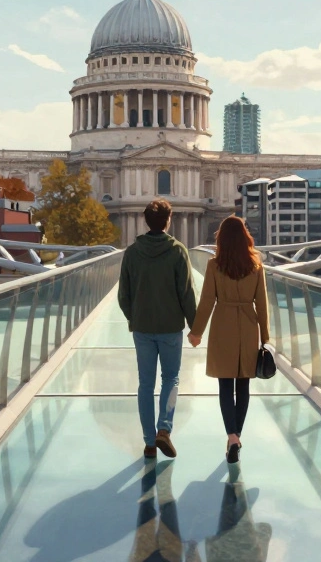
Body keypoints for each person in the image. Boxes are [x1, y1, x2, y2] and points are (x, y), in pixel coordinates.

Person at [118, 198, 197, 459]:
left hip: (142, 327)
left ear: (145, 221)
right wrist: (194, 327)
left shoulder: (131, 252)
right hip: (171, 326)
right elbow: (186, 293)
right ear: (168, 220)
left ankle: (149, 442)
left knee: (145, 384)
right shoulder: (177, 251)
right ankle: (164, 428)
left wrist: (135, 317)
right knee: (171, 378)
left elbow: (123, 295)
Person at [188, 215, 269, 464]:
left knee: (225, 384)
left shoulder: (214, 265)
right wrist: (265, 338)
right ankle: (237, 437)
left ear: (221, 238)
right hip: (248, 325)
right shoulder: (256, 265)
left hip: (222, 324)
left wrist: (196, 331)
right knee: (243, 384)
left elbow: (207, 301)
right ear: (245, 236)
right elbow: (262, 304)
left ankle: (231, 435)